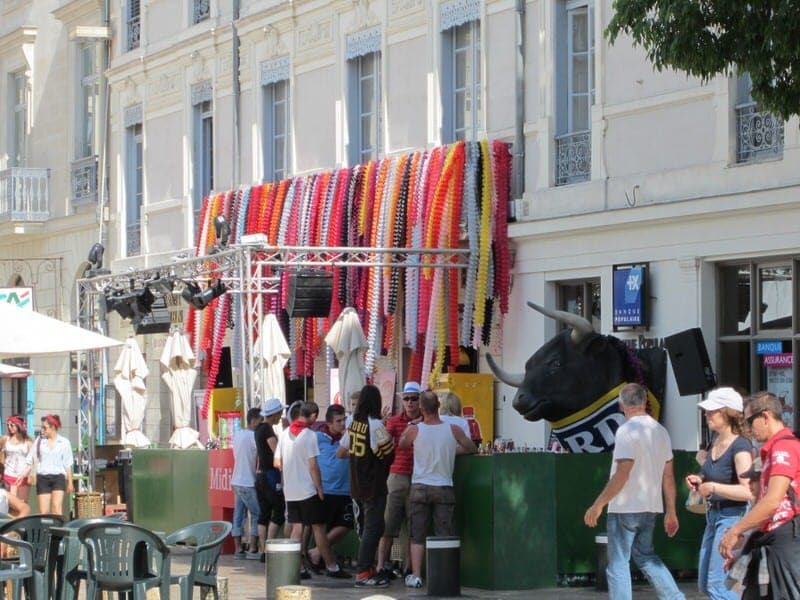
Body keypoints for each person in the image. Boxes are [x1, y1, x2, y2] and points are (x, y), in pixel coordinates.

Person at [584, 383, 684, 600]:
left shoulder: (625, 431)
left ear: (621, 405)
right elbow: (668, 476)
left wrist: (598, 504)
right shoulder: (661, 431)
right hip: (651, 507)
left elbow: (622, 474)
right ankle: (675, 598)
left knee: (618, 564)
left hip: (624, 507)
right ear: (645, 402)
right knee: (647, 557)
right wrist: (671, 511)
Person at [719, 392, 800, 598]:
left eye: (749, 421)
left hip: (786, 539)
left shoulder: (785, 447)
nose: (747, 429)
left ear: (765, 417)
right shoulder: (771, 450)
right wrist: (745, 538)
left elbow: (772, 502)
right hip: (769, 540)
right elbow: (765, 508)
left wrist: (736, 530)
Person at [399, 390, 477, 588]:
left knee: (417, 533)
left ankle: (416, 576)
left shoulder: (415, 430)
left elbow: (402, 444)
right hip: (443, 487)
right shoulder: (453, 430)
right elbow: (472, 448)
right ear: (438, 407)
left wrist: (413, 425)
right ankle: (445, 575)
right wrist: (451, 451)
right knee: (444, 532)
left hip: (419, 487)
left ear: (422, 409)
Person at [684, 387, 752, 600]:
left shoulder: (740, 446)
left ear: (727, 413)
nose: (706, 415)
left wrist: (713, 488)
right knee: (705, 585)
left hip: (731, 518)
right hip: (713, 517)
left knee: (718, 587)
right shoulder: (715, 441)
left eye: (711, 411)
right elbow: (711, 474)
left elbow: (748, 491)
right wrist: (699, 479)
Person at [274, 401, 349, 579]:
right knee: (319, 528)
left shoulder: (284, 435)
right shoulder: (309, 436)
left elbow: (277, 462)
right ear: (314, 416)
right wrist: (320, 488)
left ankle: (296, 567)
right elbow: (313, 465)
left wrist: (291, 468)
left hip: (291, 491)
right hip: (308, 490)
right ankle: (331, 566)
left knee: (297, 528)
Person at [339, 384, 395, 587]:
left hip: (356, 484)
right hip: (373, 484)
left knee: (372, 527)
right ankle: (363, 571)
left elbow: (342, 448)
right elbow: (388, 454)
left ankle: (369, 567)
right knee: (373, 527)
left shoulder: (354, 424)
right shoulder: (374, 424)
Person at [376, 380, 422, 580]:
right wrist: (380, 424)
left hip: (418, 476)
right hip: (396, 476)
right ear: (402, 401)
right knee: (388, 525)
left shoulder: (427, 421)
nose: (410, 402)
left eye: (413, 398)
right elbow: (381, 443)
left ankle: (409, 569)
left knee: (413, 527)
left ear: (420, 400)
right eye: (407, 399)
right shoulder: (394, 421)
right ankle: (381, 566)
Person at [307, 404, 353, 572]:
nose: (342, 423)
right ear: (329, 422)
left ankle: (317, 551)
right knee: (320, 527)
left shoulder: (348, 438)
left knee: (347, 524)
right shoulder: (317, 437)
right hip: (325, 490)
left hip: (345, 490)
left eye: (344, 420)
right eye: (338, 421)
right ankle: (322, 559)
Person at [21, 414, 73, 516]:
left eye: (45, 427)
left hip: (58, 477)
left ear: (53, 427)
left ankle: (57, 530)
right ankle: (45, 531)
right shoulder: (40, 441)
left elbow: (68, 463)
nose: (42, 430)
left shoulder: (64, 442)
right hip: (43, 478)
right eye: (42, 427)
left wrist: (70, 482)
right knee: (44, 512)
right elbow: (30, 459)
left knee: (56, 508)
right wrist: (22, 474)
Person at [254, 397, 286, 562]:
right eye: (279, 412)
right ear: (274, 414)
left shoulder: (258, 428)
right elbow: (276, 451)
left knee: (264, 513)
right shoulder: (267, 430)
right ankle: (268, 548)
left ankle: (262, 549)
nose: (281, 415)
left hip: (260, 475)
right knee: (279, 511)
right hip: (270, 475)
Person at [231, 407, 262, 560]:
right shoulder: (254, 437)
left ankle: (238, 548)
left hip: (236, 480)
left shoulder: (237, 434)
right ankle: (253, 547)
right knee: (257, 513)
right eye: (261, 421)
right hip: (248, 481)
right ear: (255, 420)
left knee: (238, 514)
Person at [0, 415, 33, 502]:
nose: (9, 427)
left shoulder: (28, 442)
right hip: (9, 474)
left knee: (22, 503)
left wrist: (30, 475)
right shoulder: (5, 439)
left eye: (12, 425)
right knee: (11, 503)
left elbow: (33, 460)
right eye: (8, 425)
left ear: (19, 425)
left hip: (23, 476)